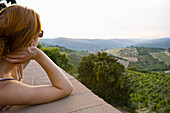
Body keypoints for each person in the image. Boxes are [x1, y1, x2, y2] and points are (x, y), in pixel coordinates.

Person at [0, 5, 73, 111]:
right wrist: (37, 54)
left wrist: (13, 95)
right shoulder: (4, 88)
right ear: (31, 41)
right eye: (39, 34)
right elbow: (64, 88)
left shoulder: (11, 65)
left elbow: (17, 82)